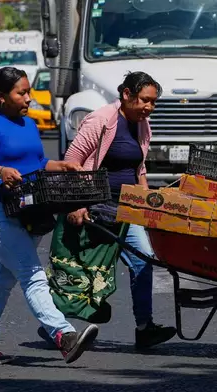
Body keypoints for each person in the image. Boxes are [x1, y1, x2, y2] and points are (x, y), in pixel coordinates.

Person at [0, 67, 98, 365]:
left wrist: (61, 165)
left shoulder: (28, 124)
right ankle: (64, 335)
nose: (28, 98)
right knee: (32, 274)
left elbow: (36, 162)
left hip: (29, 212)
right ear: (1, 97)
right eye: (21, 93)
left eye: (28, 92)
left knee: (2, 282)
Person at [38, 71, 177, 350]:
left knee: (143, 260)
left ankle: (144, 327)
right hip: (96, 206)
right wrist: (77, 204)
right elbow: (72, 161)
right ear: (126, 95)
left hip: (128, 208)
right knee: (82, 268)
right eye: (144, 100)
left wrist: (146, 204)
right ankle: (52, 326)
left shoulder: (142, 124)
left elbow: (140, 168)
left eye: (153, 102)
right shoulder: (101, 120)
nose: (149, 107)